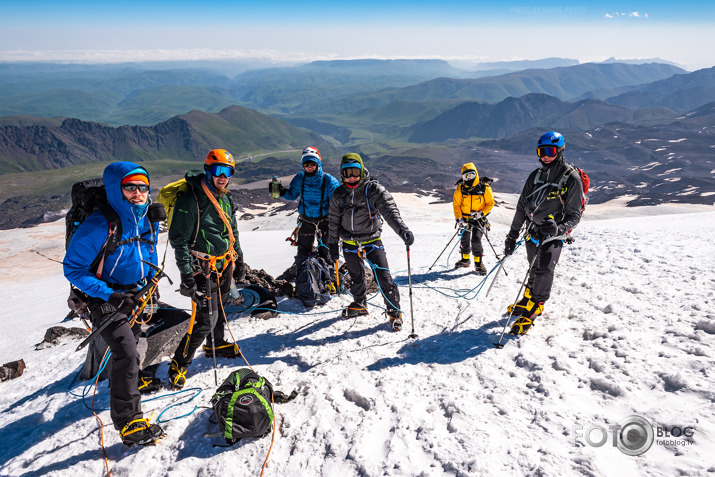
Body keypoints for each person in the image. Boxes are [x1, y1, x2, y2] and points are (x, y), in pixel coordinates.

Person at [64, 162, 164, 446]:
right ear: (115, 190)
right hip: (104, 298)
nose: (138, 193)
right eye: (130, 187)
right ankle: (129, 422)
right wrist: (111, 295)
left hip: (134, 294)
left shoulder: (146, 219)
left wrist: (150, 285)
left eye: (143, 187)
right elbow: (73, 268)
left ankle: (130, 384)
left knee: (133, 342)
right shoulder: (99, 224)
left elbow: (150, 254)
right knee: (126, 352)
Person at [167, 149, 246, 389]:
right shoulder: (191, 199)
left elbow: (232, 228)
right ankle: (179, 363)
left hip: (224, 263)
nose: (223, 177)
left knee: (219, 306)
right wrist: (186, 275)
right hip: (202, 268)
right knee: (204, 319)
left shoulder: (225, 196)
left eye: (228, 172)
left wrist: (239, 259)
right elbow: (179, 239)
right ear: (208, 170)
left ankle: (216, 343)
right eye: (218, 171)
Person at [503, 131, 584, 335]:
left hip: (554, 235)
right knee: (533, 266)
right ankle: (528, 299)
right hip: (533, 230)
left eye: (550, 151)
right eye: (541, 151)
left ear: (560, 151)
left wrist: (559, 229)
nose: (545, 156)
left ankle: (536, 305)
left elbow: (574, 215)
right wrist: (512, 235)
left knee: (544, 269)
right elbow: (522, 206)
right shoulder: (536, 176)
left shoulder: (571, 179)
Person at [327, 153, 414, 332]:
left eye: (355, 172)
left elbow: (390, 212)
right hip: (349, 242)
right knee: (356, 275)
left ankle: (394, 312)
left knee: (383, 276)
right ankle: (360, 304)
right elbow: (333, 221)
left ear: (362, 170)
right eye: (347, 173)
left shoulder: (373, 190)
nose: (352, 177)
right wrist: (332, 245)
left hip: (371, 240)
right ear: (342, 174)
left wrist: (402, 231)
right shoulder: (338, 194)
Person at [271, 146, 340, 307]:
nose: (310, 167)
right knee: (303, 252)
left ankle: (326, 283)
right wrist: (278, 190)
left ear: (318, 163)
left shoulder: (329, 180)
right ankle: (307, 284)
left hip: (324, 222)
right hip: (307, 221)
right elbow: (292, 194)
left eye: (312, 164)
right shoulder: (300, 178)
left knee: (326, 253)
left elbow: (338, 201)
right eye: (307, 164)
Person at [452, 162, 494, 275]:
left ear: (476, 174)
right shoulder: (460, 188)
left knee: (476, 240)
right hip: (465, 219)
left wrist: (481, 213)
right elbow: (456, 205)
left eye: (471, 175)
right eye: (466, 176)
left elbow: (490, 203)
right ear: (462, 177)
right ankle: (465, 260)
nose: (469, 178)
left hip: (479, 220)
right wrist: (459, 219)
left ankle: (478, 263)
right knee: (464, 239)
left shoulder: (484, 186)